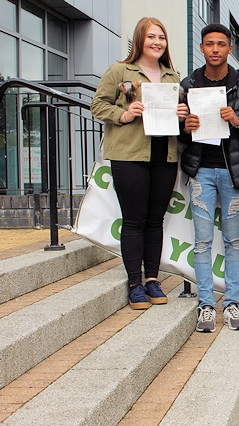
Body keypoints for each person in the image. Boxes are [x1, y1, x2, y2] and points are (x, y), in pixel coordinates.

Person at [91, 17, 188, 310]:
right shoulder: (120, 70)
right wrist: (125, 112)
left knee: (155, 220)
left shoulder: (173, 77)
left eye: (161, 37)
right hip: (130, 155)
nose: (157, 42)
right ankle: (134, 282)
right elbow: (98, 105)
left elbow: (179, 116)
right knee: (133, 220)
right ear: (139, 41)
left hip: (165, 155)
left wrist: (182, 113)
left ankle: (152, 280)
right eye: (151, 37)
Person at [180, 23, 239, 333]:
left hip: (233, 174)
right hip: (201, 170)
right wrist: (185, 125)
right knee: (202, 242)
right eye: (209, 44)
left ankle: (231, 303)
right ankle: (205, 305)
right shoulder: (188, 83)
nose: (215, 49)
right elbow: (176, 131)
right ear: (201, 48)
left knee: (233, 241)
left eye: (221, 44)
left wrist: (238, 120)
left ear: (230, 49)